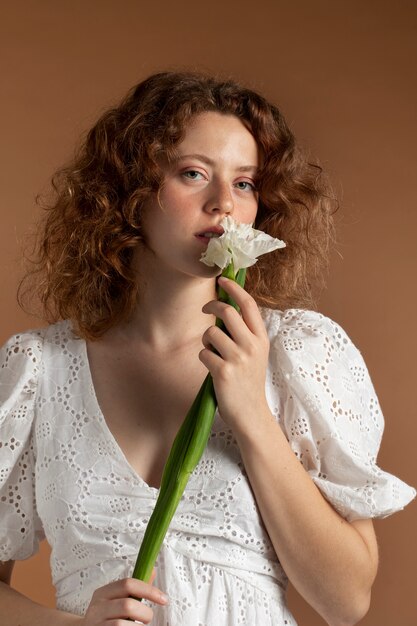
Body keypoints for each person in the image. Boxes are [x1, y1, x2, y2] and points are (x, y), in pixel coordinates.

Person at [0, 71, 414, 626]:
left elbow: (346, 603)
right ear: (129, 191)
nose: (224, 204)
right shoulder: (39, 368)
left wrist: (251, 412)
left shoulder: (298, 352)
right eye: (193, 174)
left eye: (244, 183)